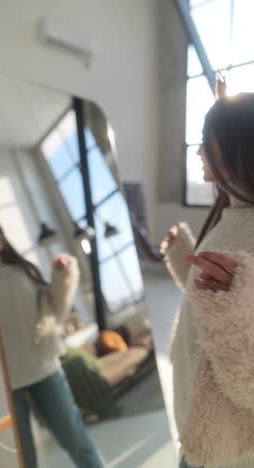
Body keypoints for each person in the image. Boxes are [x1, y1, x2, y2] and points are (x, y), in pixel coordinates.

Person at [161, 76, 254, 468]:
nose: (198, 150)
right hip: (200, 431)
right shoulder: (229, 216)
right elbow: (213, 304)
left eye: (206, 137)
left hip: (232, 451)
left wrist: (233, 310)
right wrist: (186, 256)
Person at [0, 219, 105, 468]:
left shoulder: (23, 269)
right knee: (21, 459)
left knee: (77, 441)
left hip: (44, 368)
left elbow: (55, 308)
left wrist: (63, 275)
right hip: (3, 385)